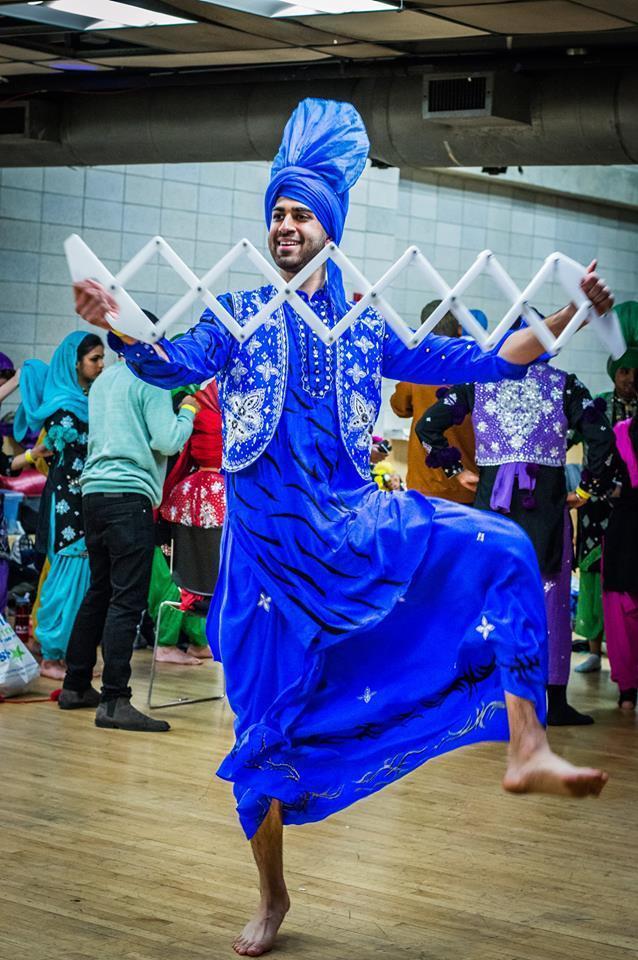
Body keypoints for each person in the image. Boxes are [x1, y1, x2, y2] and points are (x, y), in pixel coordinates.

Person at [72, 98, 612, 958]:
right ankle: (272, 895)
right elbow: (171, 360)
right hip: (268, 570)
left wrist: (569, 316)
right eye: (278, 213)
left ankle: (527, 744)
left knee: (506, 545)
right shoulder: (239, 314)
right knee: (262, 743)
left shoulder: (363, 325)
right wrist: (114, 318)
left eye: (301, 214)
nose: (285, 225)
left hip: (357, 536)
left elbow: (481, 358)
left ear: (331, 227)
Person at [415, 355, 615, 725]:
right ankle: (553, 702)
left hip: (492, 514)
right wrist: (588, 489)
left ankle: (487, 698)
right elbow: (601, 434)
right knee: (550, 602)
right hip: (546, 513)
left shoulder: (479, 382)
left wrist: (456, 470)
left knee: (489, 599)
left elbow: (428, 425)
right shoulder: (564, 384)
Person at [58, 339, 197, 731]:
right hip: (129, 496)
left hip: (93, 495)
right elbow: (167, 440)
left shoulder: (104, 380)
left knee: (99, 591)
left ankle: (75, 686)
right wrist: (187, 411)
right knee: (127, 600)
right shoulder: (151, 379)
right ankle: (115, 700)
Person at [14, 332, 104, 680]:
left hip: (86, 496)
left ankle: (69, 653)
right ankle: (51, 655)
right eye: (94, 359)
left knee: (83, 573)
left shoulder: (91, 400)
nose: (101, 365)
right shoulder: (61, 405)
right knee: (65, 569)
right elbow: (57, 456)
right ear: (75, 362)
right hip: (64, 499)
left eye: (102, 358)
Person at [573, 301, 638, 674]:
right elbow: (568, 436)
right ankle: (595, 648)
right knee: (593, 574)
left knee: (629, 580)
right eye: (624, 370)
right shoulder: (596, 405)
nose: (629, 378)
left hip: (632, 507)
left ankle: (626, 655)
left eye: (636, 372)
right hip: (596, 506)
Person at [150, 380, 225, 664]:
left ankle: (197, 639)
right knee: (199, 571)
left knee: (190, 571)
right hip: (217, 494)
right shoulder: (211, 402)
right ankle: (173, 641)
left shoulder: (197, 400)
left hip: (188, 493)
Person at [390, 302, 483, 504]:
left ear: (423, 331)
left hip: (424, 482)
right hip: (468, 481)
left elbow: (399, 407)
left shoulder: (418, 368)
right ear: (460, 330)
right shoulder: (474, 368)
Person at [601, 402, 638, 709]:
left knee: (622, 607)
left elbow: (602, 482)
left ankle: (627, 691)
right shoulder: (620, 432)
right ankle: (627, 689)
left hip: (625, 526)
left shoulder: (621, 432)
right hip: (626, 529)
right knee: (621, 604)